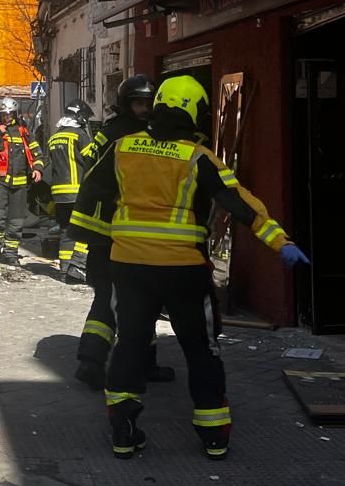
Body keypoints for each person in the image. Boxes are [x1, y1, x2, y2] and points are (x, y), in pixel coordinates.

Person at [85, 74, 307, 460]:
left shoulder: (122, 148)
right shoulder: (198, 158)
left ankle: (123, 431)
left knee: (130, 345)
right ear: (194, 114)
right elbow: (239, 203)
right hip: (183, 269)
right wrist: (280, 242)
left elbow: (91, 192)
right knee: (200, 348)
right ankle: (213, 435)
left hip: (129, 266)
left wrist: (105, 238)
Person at [68, 76, 172, 388]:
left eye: (149, 103)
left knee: (116, 297)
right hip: (123, 232)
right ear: (128, 103)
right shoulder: (137, 136)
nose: (145, 108)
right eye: (139, 103)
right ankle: (103, 362)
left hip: (105, 231)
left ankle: (95, 359)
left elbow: (90, 168)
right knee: (136, 296)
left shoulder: (110, 130)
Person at [46, 100, 98, 282]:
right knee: (86, 228)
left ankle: (64, 270)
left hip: (59, 195)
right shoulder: (79, 135)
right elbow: (92, 159)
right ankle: (78, 267)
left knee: (66, 230)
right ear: (79, 117)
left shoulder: (54, 137)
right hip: (77, 191)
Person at [0, 98, 43, 264]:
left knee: (17, 219)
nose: (7, 117)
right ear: (0, 115)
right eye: (4, 114)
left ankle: (10, 252)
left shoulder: (24, 132)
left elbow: (37, 153)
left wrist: (38, 169)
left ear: (16, 114)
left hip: (19, 183)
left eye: (10, 114)